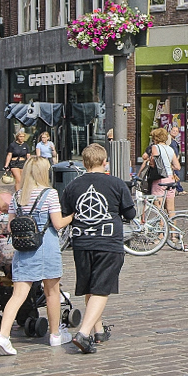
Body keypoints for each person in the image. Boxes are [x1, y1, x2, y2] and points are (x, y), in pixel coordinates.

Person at [0, 155, 73, 354]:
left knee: (18, 294)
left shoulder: (19, 195)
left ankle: (3, 336)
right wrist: (72, 216)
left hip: (24, 250)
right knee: (52, 292)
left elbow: (11, 226)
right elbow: (57, 223)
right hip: (47, 247)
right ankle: (55, 334)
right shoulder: (50, 194)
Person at [58, 143, 134, 354]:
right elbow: (130, 214)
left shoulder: (73, 186)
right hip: (108, 241)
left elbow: (66, 213)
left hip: (82, 243)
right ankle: (83, 333)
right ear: (104, 161)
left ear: (84, 163)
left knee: (91, 286)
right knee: (102, 288)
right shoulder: (116, 184)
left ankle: (98, 330)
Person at [143, 126, 180, 218]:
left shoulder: (155, 147)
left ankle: (161, 232)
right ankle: (173, 231)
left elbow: (153, 163)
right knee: (171, 209)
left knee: (158, 209)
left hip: (160, 180)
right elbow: (177, 167)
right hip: (171, 179)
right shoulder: (170, 149)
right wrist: (168, 166)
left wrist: (150, 161)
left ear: (155, 138)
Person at [6, 127, 30, 193]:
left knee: (22, 180)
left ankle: (22, 192)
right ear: (17, 137)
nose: (21, 138)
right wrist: (6, 165)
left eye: (23, 137)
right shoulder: (12, 145)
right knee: (18, 179)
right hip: (14, 163)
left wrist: (30, 164)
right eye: (20, 136)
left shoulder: (26, 145)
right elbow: (9, 155)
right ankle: (17, 194)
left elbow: (28, 156)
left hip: (23, 163)